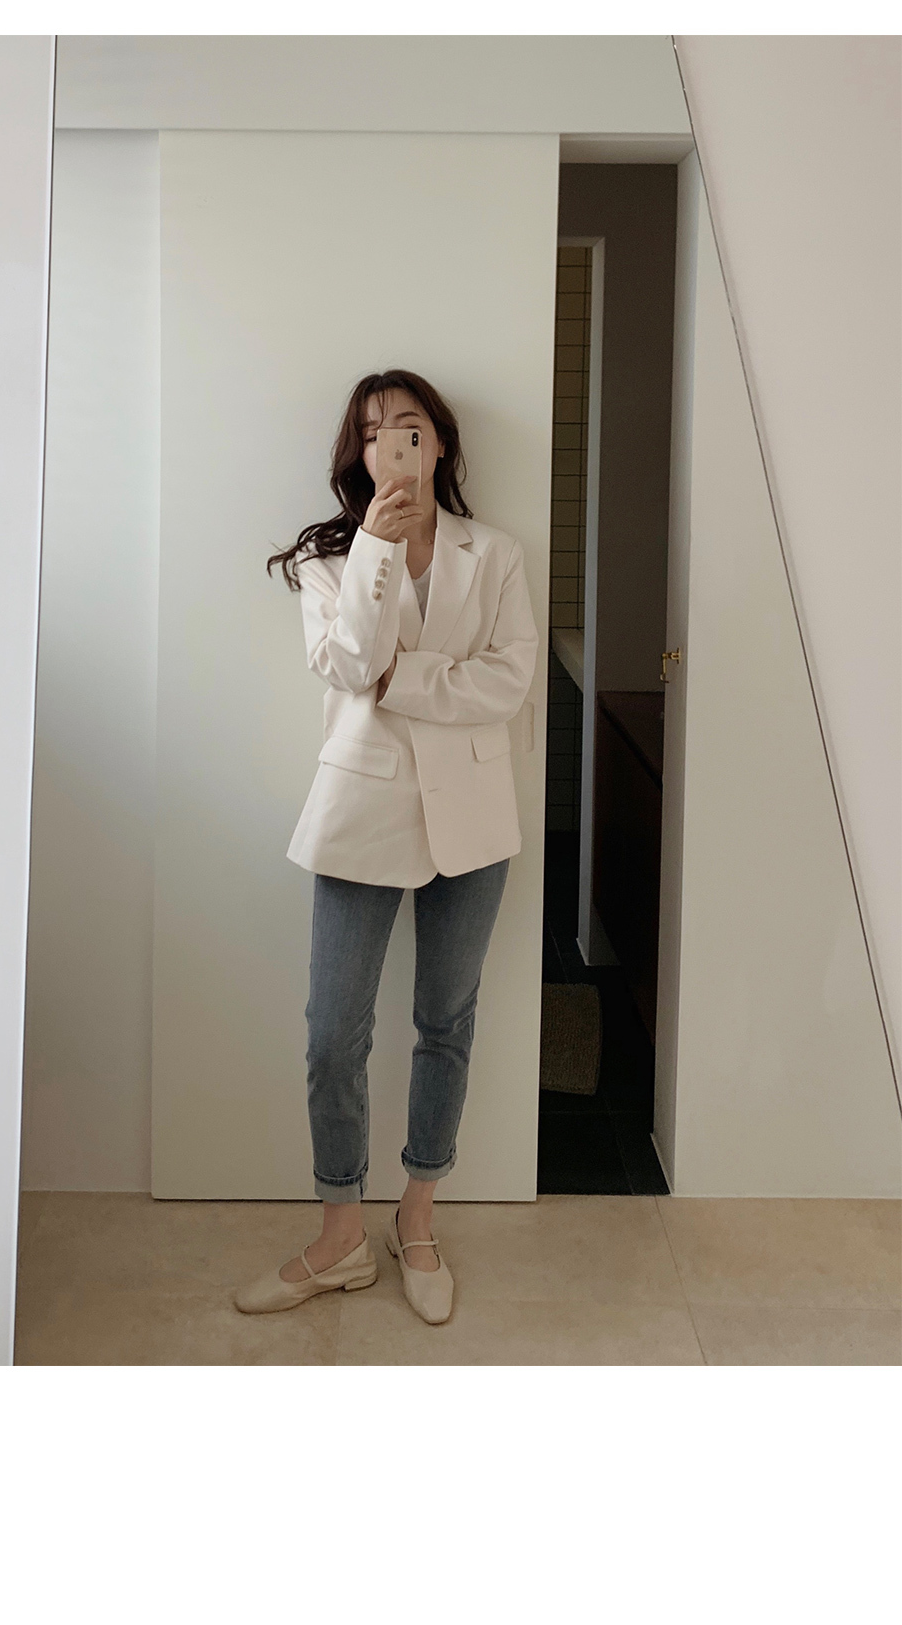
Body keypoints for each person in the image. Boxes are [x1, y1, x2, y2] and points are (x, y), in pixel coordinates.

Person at [236, 369, 537, 1327]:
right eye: (372, 433)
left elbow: (508, 683)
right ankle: (340, 1238)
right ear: (359, 455)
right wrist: (374, 546)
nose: (391, 445)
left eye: (408, 427)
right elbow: (346, 664)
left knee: (446, 1022)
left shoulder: (495, 553)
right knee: (334, 1034)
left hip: (473, 815)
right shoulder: (328, 560)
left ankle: (416, 1215)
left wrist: (403, 681)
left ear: (439, 442)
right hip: (361, 809)